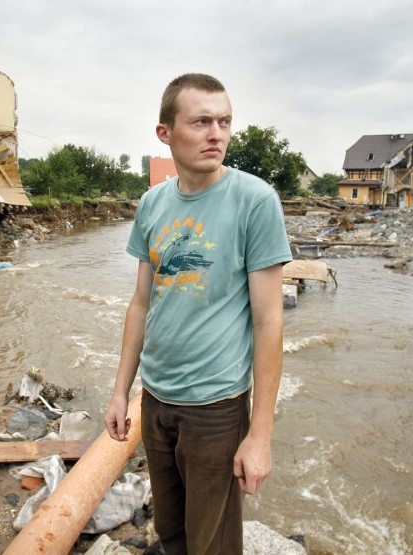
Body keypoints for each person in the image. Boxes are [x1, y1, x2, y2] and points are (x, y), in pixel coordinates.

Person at [104, 73, 291, 554]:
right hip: (157, 399)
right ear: (165, 132)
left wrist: (259, 436)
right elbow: (141, 303)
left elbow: (270, 322)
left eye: (224, 122)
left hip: (215, 406)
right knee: (171, 531)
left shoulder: (255, 201)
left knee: (213, 542)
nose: (217, 134)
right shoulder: (152, 204)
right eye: (201, 121)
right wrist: (121, 392)